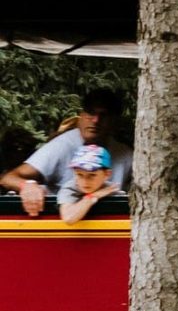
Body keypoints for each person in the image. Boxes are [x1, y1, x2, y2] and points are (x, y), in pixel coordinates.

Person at [4, 87, 133, 218]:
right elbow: (8, 178)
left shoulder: (125, 154)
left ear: (114, 121)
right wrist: (27, 186)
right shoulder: (62, 145)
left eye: (103, 115)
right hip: (62, 225)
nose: (95, 120)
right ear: (81, 115)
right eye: (90, 113)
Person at [57, 142, 124, 222]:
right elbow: (69, 218)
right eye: (80, 174)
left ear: (107, 174)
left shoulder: (112, 190)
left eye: (92, 175)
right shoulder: (69, 188)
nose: (85, 181)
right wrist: (93, 196)